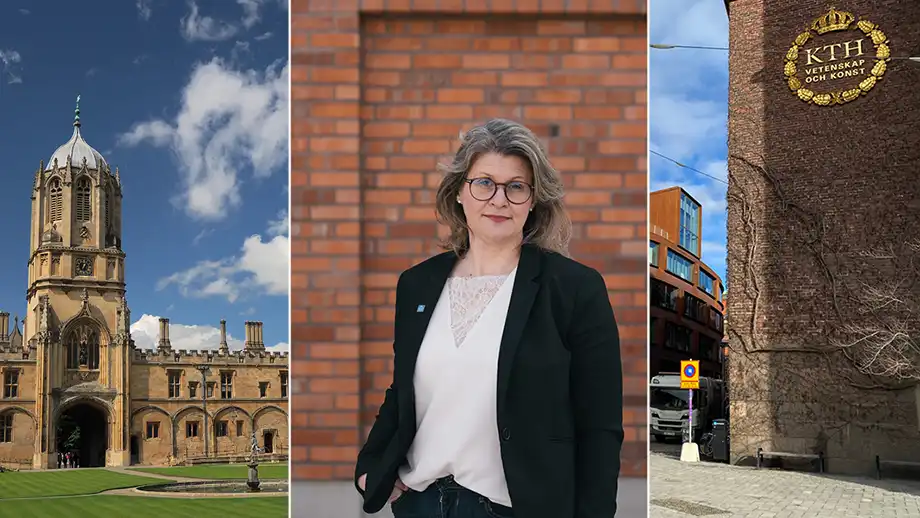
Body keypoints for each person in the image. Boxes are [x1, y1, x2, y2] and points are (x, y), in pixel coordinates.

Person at [354, 119, 623, 518]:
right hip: (421, 503)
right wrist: (370, 465)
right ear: (460, 192)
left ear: (533, 201)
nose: (499, 200)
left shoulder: (573, 288)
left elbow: (599, 426)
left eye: (516, 187)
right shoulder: (417, 284)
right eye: (484, 183)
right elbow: (403, 391)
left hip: (515, 508)